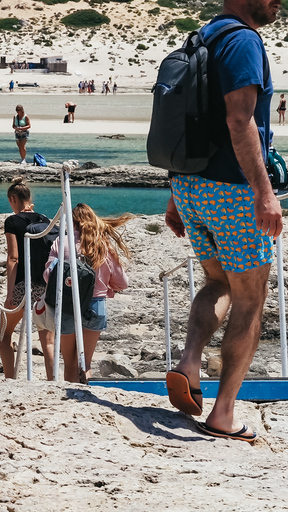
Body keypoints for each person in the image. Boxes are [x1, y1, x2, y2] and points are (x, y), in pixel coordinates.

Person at [164, 0, 283, 443]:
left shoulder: (203, 37)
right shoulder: (243, 40)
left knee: (218, 283)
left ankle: (190, 361)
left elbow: (188, 120)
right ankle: (224, 413)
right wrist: (263, 191)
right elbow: (239, 119)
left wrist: (177, 192)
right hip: (232, 190)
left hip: (192, 184)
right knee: (251, 300)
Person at [42, 204, 131, 383]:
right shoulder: (103, 245)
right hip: (96, 305)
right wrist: (106, 286)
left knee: (69, 363)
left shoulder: (61, 242)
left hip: (67, 305)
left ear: (72, 221)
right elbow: (122, 283)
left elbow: (48, 276)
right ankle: (86, 398)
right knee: (85, 363)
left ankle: (70, 403)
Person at [1, 177, 54, 380]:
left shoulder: (12, 221)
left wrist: (9, 293)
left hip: (23, 285)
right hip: (45, 285)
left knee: (5, 336)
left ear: (13, 198)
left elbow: (13, 258)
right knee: (47, 337)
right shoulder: (45, 220)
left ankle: (9, 379)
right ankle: (52, 381)